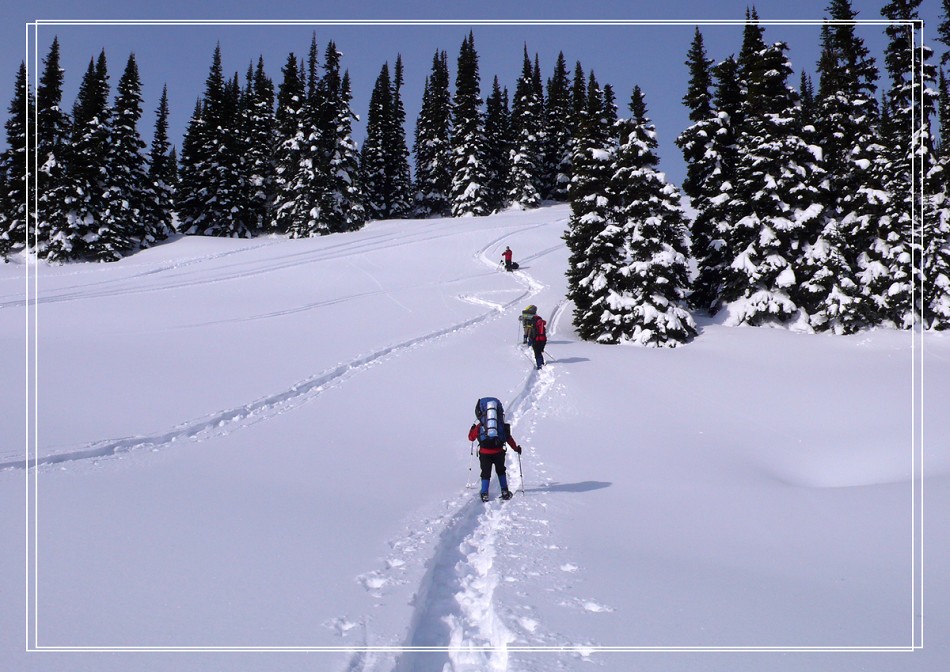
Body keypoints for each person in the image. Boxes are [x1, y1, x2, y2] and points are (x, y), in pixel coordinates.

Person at [468, 397, 522, 501]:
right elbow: (508, 438)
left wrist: (472, 429)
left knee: (485, 473)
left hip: (484, 453)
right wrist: (516, 448)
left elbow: (471, 438)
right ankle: (505, 491)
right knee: (501, 471)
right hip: (499, 452)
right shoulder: (500, 425)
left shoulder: (480, 426)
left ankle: (484, 493)